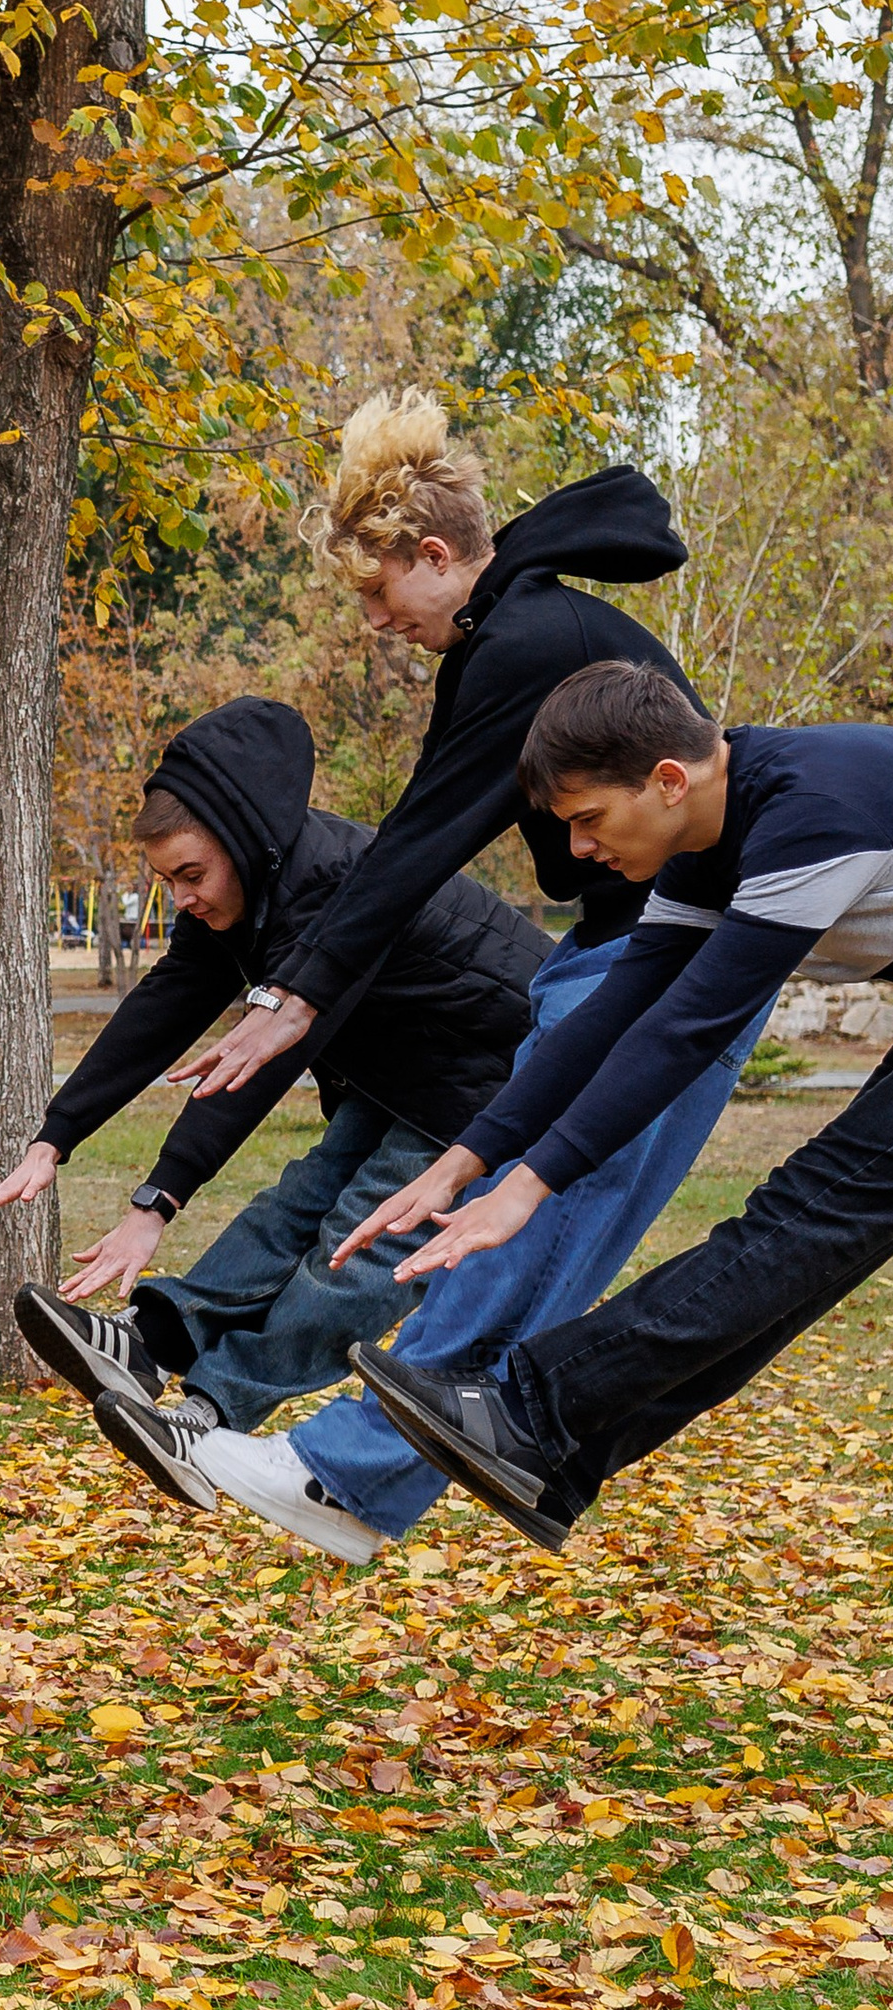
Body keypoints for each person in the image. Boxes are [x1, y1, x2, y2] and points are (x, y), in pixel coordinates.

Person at [111, 397, 768, 1561]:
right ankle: (358, 1479)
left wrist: (291, 997)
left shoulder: (521, 645)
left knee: (526, 1226)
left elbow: (413, 846)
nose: (374, 623)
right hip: (629, 956)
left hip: (669, 958)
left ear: (434, 555)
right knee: (520, 1222)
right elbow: (421, 829)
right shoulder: (515, 635)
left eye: (377, 595)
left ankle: (349, 1474)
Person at [344, 662, 893, 1548]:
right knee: (807, 1254)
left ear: (667, 781)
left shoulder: (812, 814)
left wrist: (533, 1185)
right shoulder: (706, 846)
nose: (579, 852)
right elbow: (611, 1016)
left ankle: (530, 1414)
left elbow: (681, 1032)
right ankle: (559, 1455)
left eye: (589, 819)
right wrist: (469, 1159)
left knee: (804, 1221)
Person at [0, 699, 547, 1510]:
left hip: (497, 1083)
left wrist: (156, 1201)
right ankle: (150, 1345)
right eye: (167, 881)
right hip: (407, 1075)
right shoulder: (251, 893)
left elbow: (263, 1063)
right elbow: (161, 1007)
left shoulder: (327, 885)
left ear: (241, 843)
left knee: (355, 1252)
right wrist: (54, 1139)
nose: (181, 898)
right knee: (293, 1208)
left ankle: (210, 1417)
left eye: (190, 876)